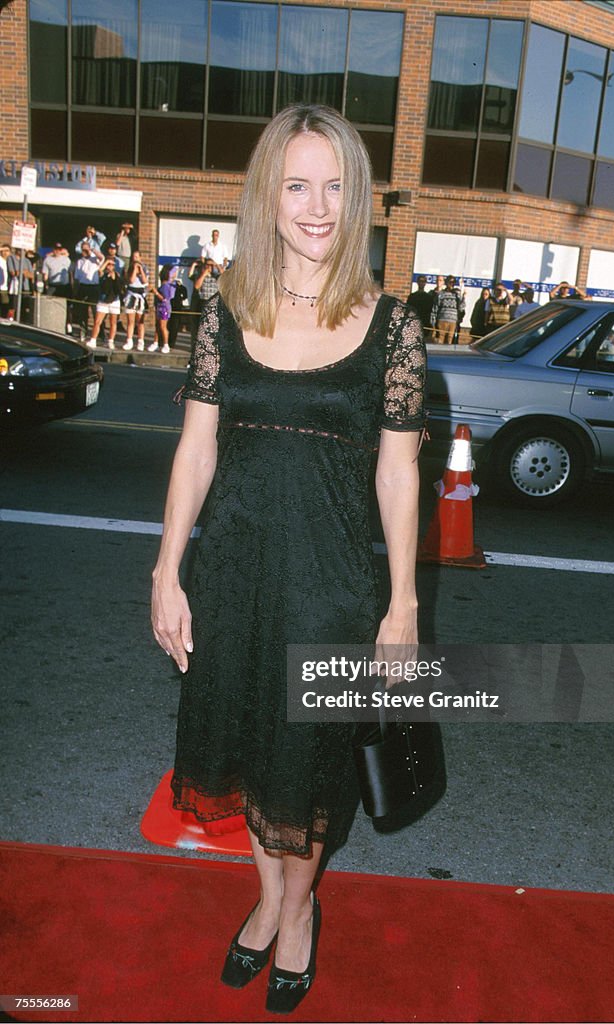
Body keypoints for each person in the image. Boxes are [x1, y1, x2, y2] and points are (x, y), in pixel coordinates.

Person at [150, 104, 425, 1015]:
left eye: (336, 185)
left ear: (357, 202)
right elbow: (195, 451)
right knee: (246, 752)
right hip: (230, 577)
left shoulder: (393, 328)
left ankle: (299, 911)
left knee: (304, 772)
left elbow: (399, 472)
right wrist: (165, 571)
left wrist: (401, 608)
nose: (316, 206)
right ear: (265, 195)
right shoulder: (225, 312)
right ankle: (267, 899)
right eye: (297, 184)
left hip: (335, 591)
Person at [88, 257, 123, 349]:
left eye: (112, 265)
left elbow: (119, 288)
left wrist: (114, 277)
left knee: (113, 322)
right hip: (103, 300)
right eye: (109, 264)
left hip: (114, 300)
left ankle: (111, 341)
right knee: (97, 321)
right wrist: (107, 261)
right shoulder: (103, 274)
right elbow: (100, 270)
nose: (110, 267)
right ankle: (93, 339)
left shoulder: (117, 275)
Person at [122, 251, 149, 351]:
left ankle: (141, 341)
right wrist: (134, 269)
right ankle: (129, 340)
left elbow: (145, 282)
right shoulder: (130, 268)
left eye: (137, 257)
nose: (135, 259)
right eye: (134, 257)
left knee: (140, 321)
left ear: (140, 258)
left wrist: (141, 269)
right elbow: (131, 280)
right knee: (131, 320)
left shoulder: (145, 268)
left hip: (140, 296)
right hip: (131, 295)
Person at [148, 264, 176, 353]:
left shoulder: (166, 286)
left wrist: (155, 292)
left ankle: (166, 344)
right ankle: (155, 342)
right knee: (158, 326)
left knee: (163, 326)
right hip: (159, 307)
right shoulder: (164, 284)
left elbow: (165, 299)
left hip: (164, 308)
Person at [430, 274, 465, 345]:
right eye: (449, 282)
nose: (451, 284)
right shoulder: (441, 294)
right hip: (442, 320)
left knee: (449, 342)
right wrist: (433, 323)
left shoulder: (457, 294)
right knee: (440, 341)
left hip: (453, 322)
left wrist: (463, 297)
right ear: (446, 283)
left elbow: (461, 308)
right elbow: (435, 308)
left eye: (453, 282)